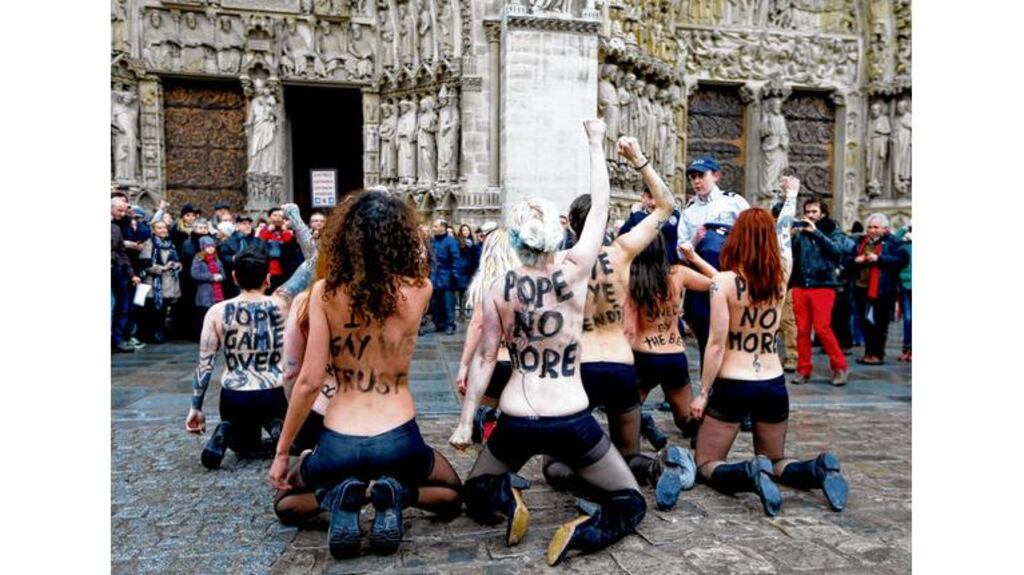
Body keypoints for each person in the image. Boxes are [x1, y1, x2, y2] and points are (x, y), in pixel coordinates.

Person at [451, 120, 647, 567]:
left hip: (517, 418)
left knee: (476, 495)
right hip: (570, 416)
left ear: (515, 240)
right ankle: (585, 532)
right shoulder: (575, 271)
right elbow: (600, 208)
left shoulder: (498, 288)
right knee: (629, 502)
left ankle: (507, 499)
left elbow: (486, 357)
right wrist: (595, 143)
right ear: (556, 237)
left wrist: (465, 422)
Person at [269, 189, 462, 559]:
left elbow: (308, 382)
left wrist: (281, 453)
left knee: (286, 504)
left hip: (339, 441)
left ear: (344, 238)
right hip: (399, 438)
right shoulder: (420, 290)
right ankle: (396, 493)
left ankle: (336, 497)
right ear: (401, 237)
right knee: (451, 494)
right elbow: (418, 264)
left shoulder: (324, 293)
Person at [544, 136, 694, 513]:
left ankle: (592, 483)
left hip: (578, 368)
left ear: (571, 223)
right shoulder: (623, 252)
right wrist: (639, 160)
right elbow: (667, 205)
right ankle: (657, 468)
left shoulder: (558, 261)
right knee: (629, 452)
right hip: (620, 365)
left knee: (555, 462)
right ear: (606, 221)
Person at [689, 175, 848, 518]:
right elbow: (784, 233)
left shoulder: (724, 283)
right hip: (773, 382)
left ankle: (749, 472)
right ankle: (817, 468)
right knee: (777, 460)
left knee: (706, 462)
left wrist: (702, 393)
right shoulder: (781, 275)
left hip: (734, 382)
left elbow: (716, 344)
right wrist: (791, 195)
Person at [185, 249, 309, 470]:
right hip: (273, 392)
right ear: (267, 278)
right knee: (282, 426)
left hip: (235, 396)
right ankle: (277, 426)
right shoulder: (282, 305)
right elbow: (307, 268)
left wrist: (196, 407)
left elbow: (205, 363)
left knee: (243, 447)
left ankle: (226, 429)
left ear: (234, 277)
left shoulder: (216, 311)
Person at [628, 238, 717, 450]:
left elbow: (626, 327)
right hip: (673, 355)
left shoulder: (631, 278)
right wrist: (693, 257)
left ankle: (643, 423)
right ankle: (706, 435)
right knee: (685, 419)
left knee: (626, 414)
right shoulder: (678, 273)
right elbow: (719, 281)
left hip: (644, 354)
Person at [676, 156, 751, 372]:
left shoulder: (733, 202)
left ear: (716, 176)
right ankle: (708, 382)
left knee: (732, 336)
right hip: (702, 284)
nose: (696, 181)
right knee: (705, 336)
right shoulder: (689, 212)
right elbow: (681, 251)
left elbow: (752, 233)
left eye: (701, 176)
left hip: (731, 279)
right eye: (692, 177)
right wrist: (695, 240)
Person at [453, 228, 522, 443]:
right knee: (513, 415)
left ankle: (488, 446)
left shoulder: (485, 283)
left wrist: (464, 365)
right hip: (517, 361)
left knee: (485, 413)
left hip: (492, 362)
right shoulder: (526, 282)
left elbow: (477, 326)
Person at [788, 199, 850, 386]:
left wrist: (816, 232)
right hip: (801, 284)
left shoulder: (833, 229)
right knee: (802, 330)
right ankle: (803, 369)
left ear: (822, 213)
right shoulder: (801, 232)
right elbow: (791, 254)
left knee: (822, 328)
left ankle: (840, 366)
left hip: (823, 284)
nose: (810, 215)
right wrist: (790, 237)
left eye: (814, 211)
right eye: (807, 212)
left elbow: (837, 250)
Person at [850, 213, 908, 365]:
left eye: (876, 227)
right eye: (870, 227)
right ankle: (868, 352)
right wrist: (856, 260)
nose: (872, 230)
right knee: (864, 322)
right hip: (861, 287)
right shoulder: (861, 241)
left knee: (880, 323)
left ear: (885, 228)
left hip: (883, 289)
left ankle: (877, 354)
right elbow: (848, 259)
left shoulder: (893, 242)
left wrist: (879, 259)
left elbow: (902, 260)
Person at [139, 220, 182, 343]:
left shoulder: (170, 244)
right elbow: (145, 264)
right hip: (154, 284)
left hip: (169, 283)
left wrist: (177, 265)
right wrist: (163, 268)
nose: (163, 230)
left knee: (163, 311)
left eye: (164, 228)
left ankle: (160, 334)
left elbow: (176, 259)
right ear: (153, 230)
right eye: (159, 228)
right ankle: (151, 336)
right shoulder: (149, 243)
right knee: (152, 312)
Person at [618, 188, 682, 265]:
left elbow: (656, 228)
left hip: (666, 266)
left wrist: (637, 214)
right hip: (643, 266)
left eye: (658, 198)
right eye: (650, 197)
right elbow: (622, 236)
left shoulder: (674, 215)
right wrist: (633, 216)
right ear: (642, 198)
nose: (653, 203)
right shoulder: (637, 217)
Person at [112, 197, 141, 353]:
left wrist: (131, 274)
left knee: (123, 305)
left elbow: (121, 253)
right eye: (119, 210)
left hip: (117, 270)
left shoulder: (116, 228)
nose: (122, 214)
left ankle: (117, 340)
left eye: (124, 211)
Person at [425, 218, 460, 335]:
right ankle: (438, 323)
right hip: (434, 276)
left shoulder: (451, 241)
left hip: (446, 276)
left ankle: (450, 324)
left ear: (443, 227)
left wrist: (454, 274)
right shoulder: (431, 241)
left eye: (436, 226)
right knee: (435, 302)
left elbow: (455, 258)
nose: (433, 228)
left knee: (448, 303)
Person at [191, 236, 227, 333]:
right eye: (207, 247)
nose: (211, 249)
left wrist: (221, 277)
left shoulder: (217, 260)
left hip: (218, 291)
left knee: (217, 314)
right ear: (203, 248)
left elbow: (223, 274)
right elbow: (195, 274)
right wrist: (211, 277)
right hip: (205, 292)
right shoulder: (198, 259)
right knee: (204, 314)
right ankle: (202, 333)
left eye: (212, 246)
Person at [258, 207, 297, 293]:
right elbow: (260, 244)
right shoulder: (264, 230)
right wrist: (269, 230)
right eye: (275, 215)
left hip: (283, 269)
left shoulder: (287, 231)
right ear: (269, 218)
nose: (277, 218)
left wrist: (284, 231)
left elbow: (289, 243)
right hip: (268, 269)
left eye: (280, 216)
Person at [454, 224, 479, 322]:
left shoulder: (472, 244)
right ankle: (461, 313)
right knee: (461, 292)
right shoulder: (458, 243)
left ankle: (465, 312)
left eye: (467, 230)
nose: (466, 232)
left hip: (470, 270)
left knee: (467, 292)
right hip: (462, 270)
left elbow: (475, 257)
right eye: (464, 230)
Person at [894, 220, 912, 362]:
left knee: (909, 317)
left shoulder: (905, 245)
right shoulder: (905, 245)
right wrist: (905, 227)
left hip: (906, 283)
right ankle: (907, 348)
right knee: (908, 318)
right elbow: (894, 240)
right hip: (906, 284)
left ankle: (909, 348)